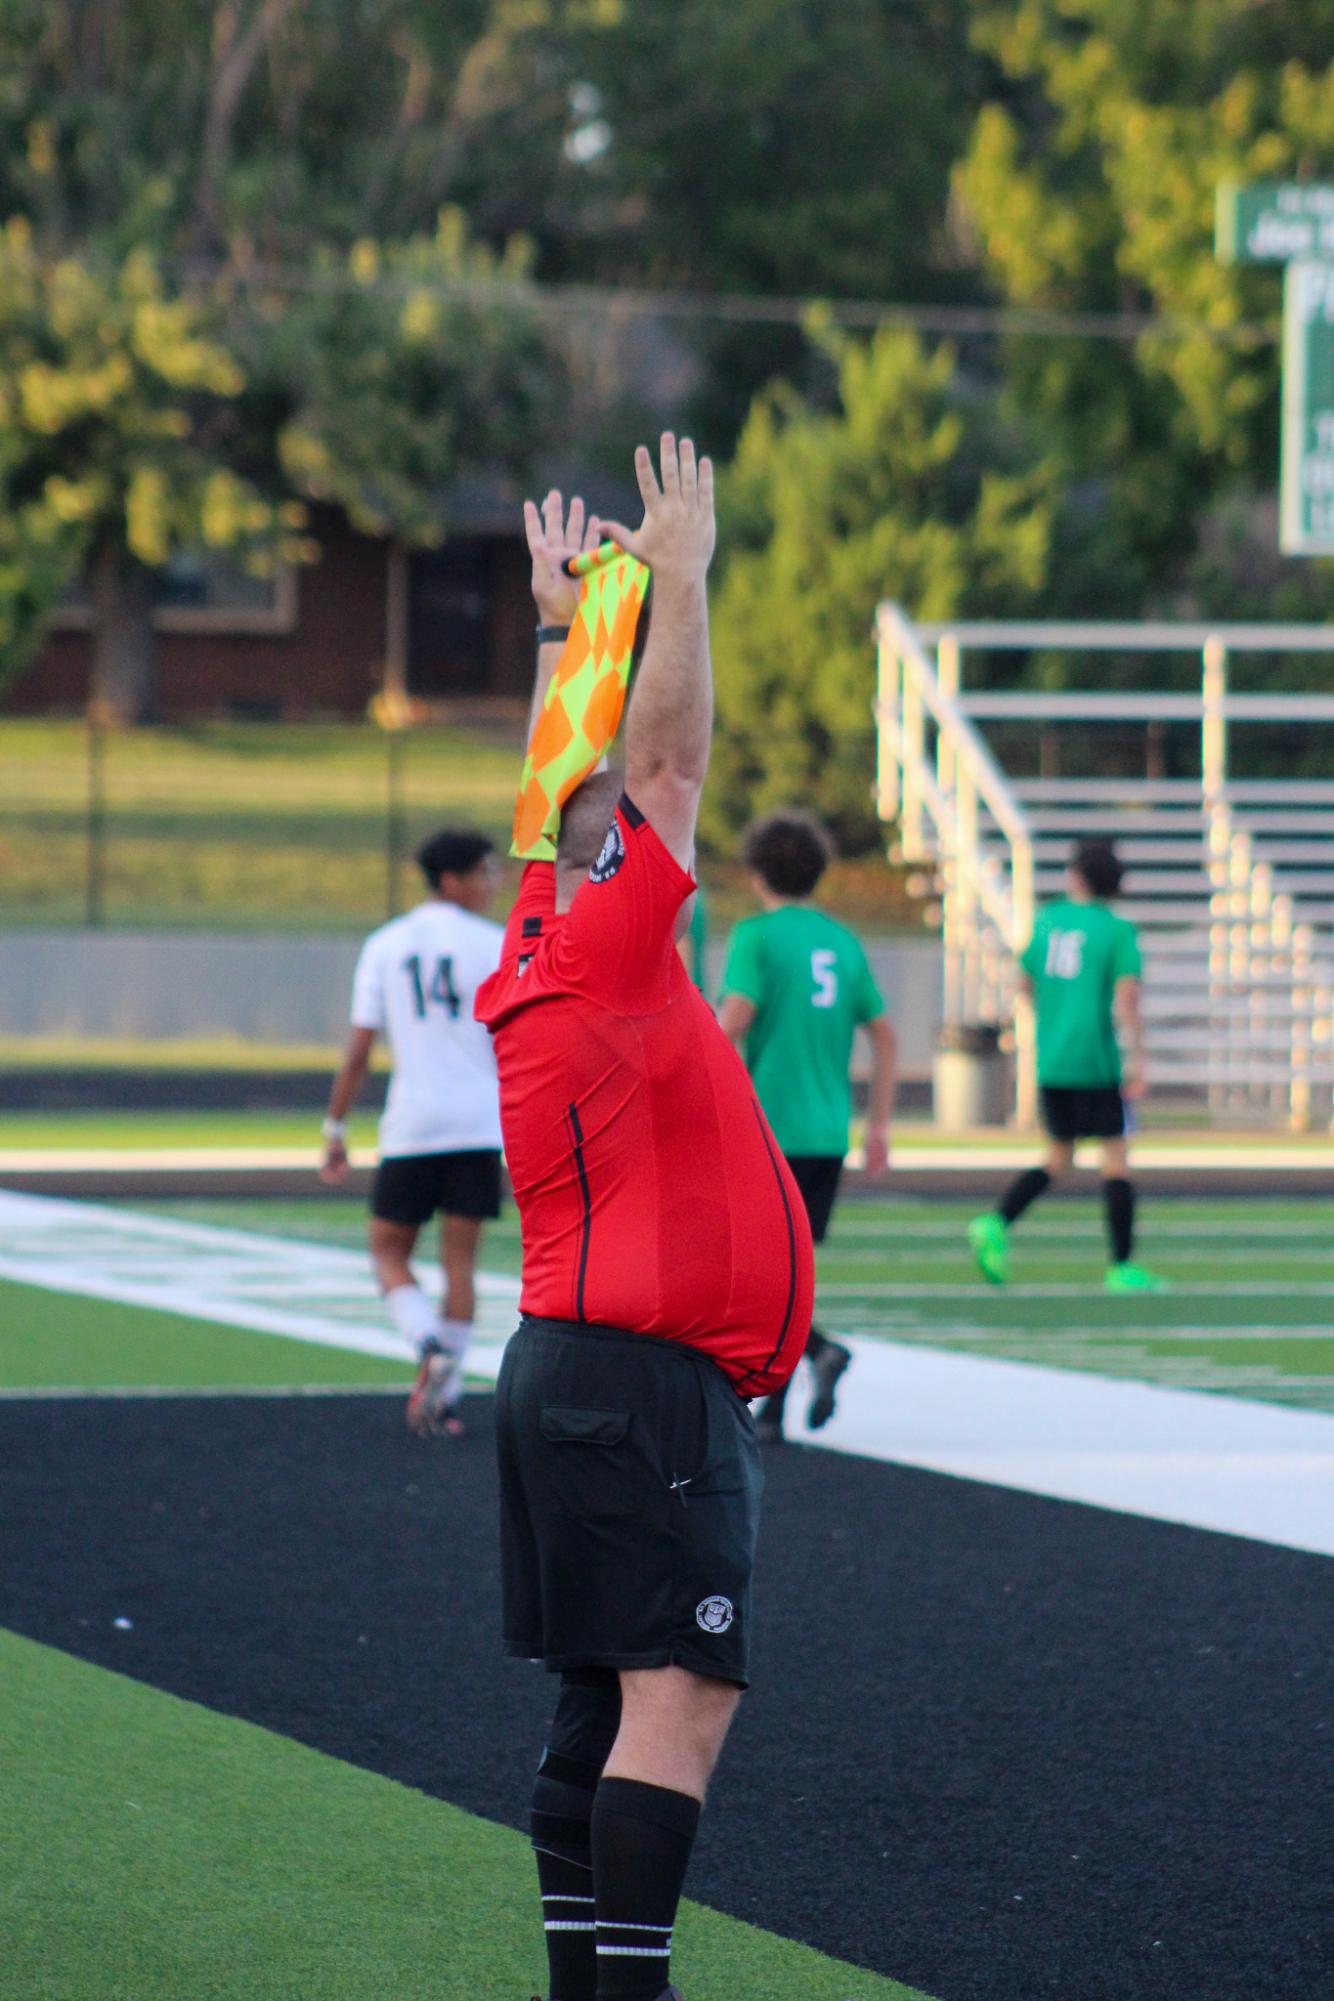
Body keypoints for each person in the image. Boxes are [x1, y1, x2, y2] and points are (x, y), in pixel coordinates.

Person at [475, 443, 813, 2001]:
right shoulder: (606, 941)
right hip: (640, 1383)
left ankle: (586, 1986)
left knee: (599, 1711)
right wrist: (678, 576)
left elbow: (573, 788)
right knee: (678, 1703)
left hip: (564, 1372)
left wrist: (563, 634)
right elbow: (664, 773)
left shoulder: (536, 933)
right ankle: (630, 1993)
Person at [718, 811, 897, 1442]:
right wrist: (878, 1125)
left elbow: (735, 1016)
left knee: (745, 1272)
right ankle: (774, 1409)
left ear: (756, 870)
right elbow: (884, 1033)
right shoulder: (843, 941)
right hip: (826, 1133)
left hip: (768, 1129)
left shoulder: (757, 936)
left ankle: (816, 1354)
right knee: (786, 1274)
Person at [320, 827, 504, 1436]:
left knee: (388, 1251)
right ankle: (445, 1402)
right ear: (451, 878)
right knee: (461, 1265)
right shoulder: (495, 943)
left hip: (414, 1125)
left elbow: (358, 1052)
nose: (491, 883)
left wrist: (335, 1125)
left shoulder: (386, 943)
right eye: (482, 872)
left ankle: (425, 1341)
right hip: (479, 1123)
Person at [967, 836, 1161, 1291]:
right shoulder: (1115, 928)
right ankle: (1122, 1266)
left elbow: (1025, 984)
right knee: (1115, 1157)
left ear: (1076, 875)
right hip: (1094, 1059)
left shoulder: (1048, 919)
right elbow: (1127, 995)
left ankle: (997, 1222)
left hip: (1052, 1059)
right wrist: (1139, 1058)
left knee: (1059, 1156)